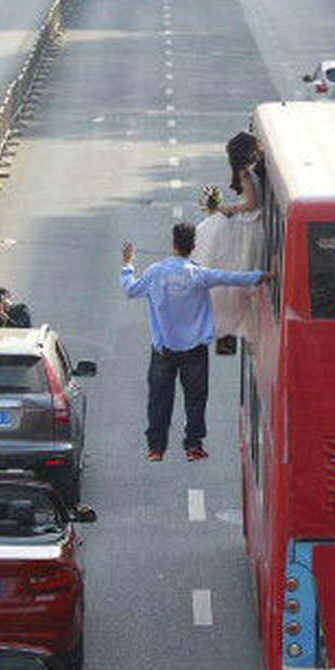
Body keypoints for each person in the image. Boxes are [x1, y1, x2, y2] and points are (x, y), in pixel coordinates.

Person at [120, 223, 270, 462]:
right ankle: (193, 446)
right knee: (196, 399)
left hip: (163, 350)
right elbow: (230, 278)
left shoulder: (155, 272)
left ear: (173, 244)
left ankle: (156, 448)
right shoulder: (199, 274)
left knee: (159, 399)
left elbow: (130, 290)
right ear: (193, 246)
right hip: (195, 351)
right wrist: (260, 276)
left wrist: (128, 264)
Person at [193, 131, 266, 355]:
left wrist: (227, 209)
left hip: (251, 224)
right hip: (253, 223)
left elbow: (252, 204)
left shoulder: (244, 174)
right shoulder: (250, 172)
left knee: (212, 229)